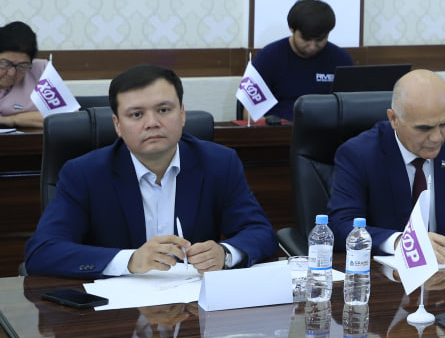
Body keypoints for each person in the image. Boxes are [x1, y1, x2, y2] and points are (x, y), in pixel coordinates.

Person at [25, 64, 277, 278]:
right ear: (117, 125)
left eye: (164, 110)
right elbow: (42, 251)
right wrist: (130, 260)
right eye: (136, 114)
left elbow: (260, 232)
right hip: (116, 311)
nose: (152, 123)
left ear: (182, 114)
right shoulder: (84, 173)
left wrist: (225, 253)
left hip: (194, 307)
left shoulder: (219, 162)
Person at [327, 69, 445, 265]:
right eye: (424, 128)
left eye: (444, 124)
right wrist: (402, 242)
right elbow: (341, 226)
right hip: (385, 273)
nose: (437, 137)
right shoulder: (359, 154)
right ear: (394, 119)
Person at [251, 0, 354, 120]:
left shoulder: (341, 60)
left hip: (326, 127)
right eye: (305, 39)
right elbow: (250, 114)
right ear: (292, 29)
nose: (312, 47)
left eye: (320, 40)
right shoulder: (268, 57)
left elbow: (351, 108)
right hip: (280, 128)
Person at [0, 20, 49, 128]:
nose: (12, 73)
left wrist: (12, 120)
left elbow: (65, 117)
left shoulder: (41, 71)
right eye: (5, 63)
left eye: (22, 66)